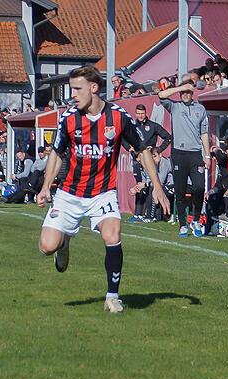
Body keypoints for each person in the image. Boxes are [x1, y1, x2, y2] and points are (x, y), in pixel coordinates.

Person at [36, 66, 169, 314]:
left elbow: (142, 150)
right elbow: (56, 153)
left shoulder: (118, 117)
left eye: (77, 89)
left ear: (93, 88)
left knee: (112, 235)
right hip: (69, 193)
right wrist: (45, 187)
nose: (72, 95)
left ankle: (112, 296)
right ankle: (63, 242)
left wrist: (158, 188)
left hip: (103, 193)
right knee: (46, 246)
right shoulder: (69, 118)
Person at [158, 80, 210, 237]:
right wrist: (182, 87)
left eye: (188, 91)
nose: (186, 94)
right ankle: (182, 224)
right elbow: (161, 95)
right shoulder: (175, 106)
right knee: (179, 191)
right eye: (183, 92)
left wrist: (207, 155)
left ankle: (195, 220)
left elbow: (204, 133)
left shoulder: (200, 109)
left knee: (199, 187)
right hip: (179, 153)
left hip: (195, 154)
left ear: (193, 93)